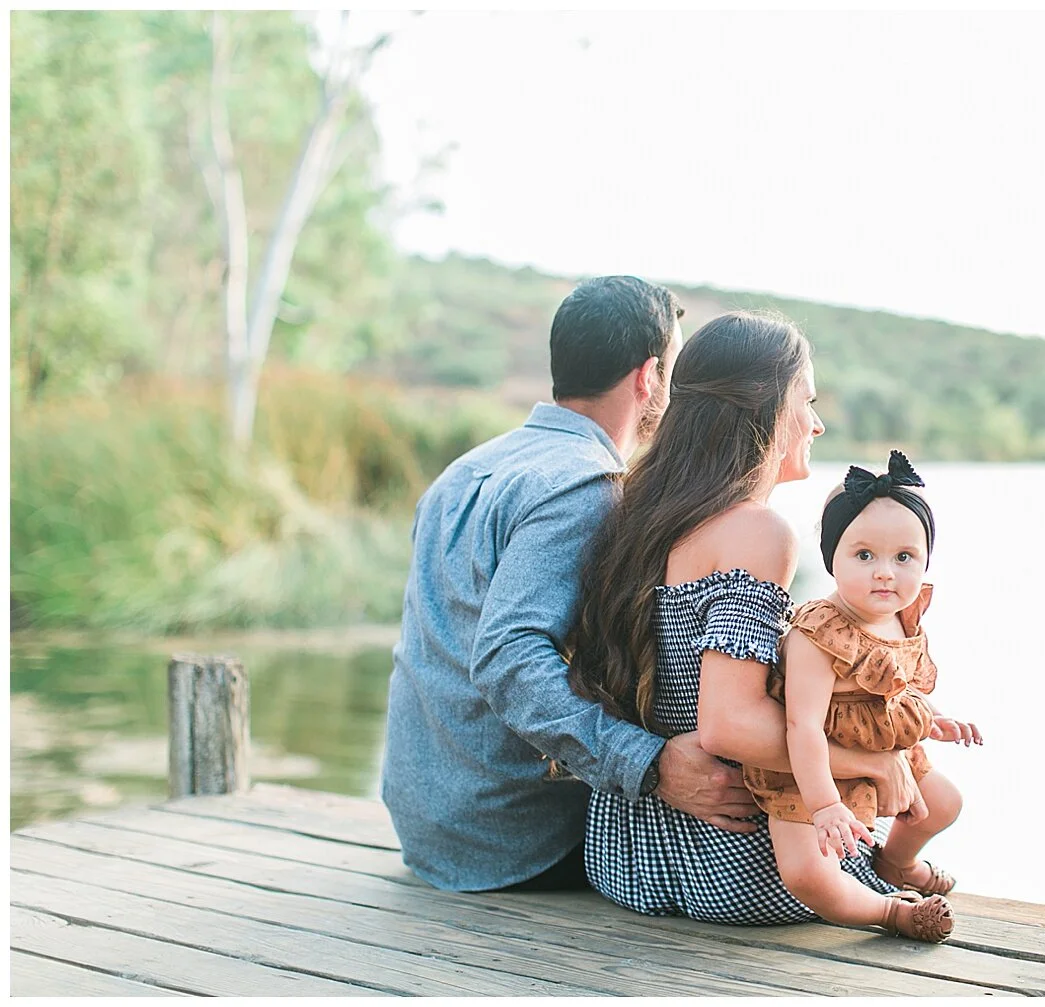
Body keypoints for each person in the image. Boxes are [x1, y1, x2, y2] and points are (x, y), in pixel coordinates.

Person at [381, 276, 763, 892]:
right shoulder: (584, 486)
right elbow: (509, 660)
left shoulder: (466, 470)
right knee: (747, 836)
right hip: (514, 837)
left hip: (424, 819)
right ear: (649, 377)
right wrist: (653, 766)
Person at [568, 310, 926, 926]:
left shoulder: (643, 510)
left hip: (626, 854)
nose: (816, 423)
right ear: (764, 411)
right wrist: (868, 761)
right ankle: (895, 873)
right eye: (805, 401)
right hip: (723, 859)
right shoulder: (758, 533)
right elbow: (729, 725)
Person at [743, 450, 983, 943]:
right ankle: (890, 912)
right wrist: (825, 803)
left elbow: (901, 683)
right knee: (807, 874)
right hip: (813, 770)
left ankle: (896, 862)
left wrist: (934, 719)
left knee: (943, 803)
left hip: (884, 741)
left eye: (904, 558)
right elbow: (801, 726)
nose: (885, 574)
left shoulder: (903, 613)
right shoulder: (818, 632)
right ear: (832, 556)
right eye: (864, 555)